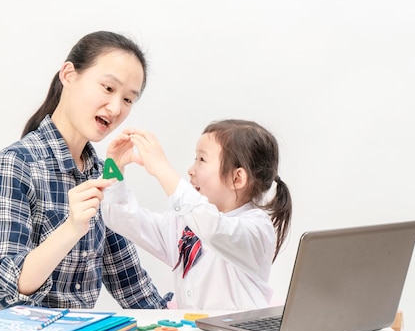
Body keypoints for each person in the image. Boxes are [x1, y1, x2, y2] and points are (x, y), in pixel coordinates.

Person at [0, 31, 169, 312]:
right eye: (108, 88)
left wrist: (183, 326)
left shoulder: (101, 174)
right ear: (68, 74)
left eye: (128, 99)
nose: (116, 107)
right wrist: (71, 229)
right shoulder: (16, 164)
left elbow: (131, 284)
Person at [101, 119, 292, 310]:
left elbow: (213, 229)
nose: (191, 170)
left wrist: (161, 169)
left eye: (202, 160)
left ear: (237, 178)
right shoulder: (182, 223)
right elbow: (122, 218)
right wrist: (113, 167)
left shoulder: (255, 228)